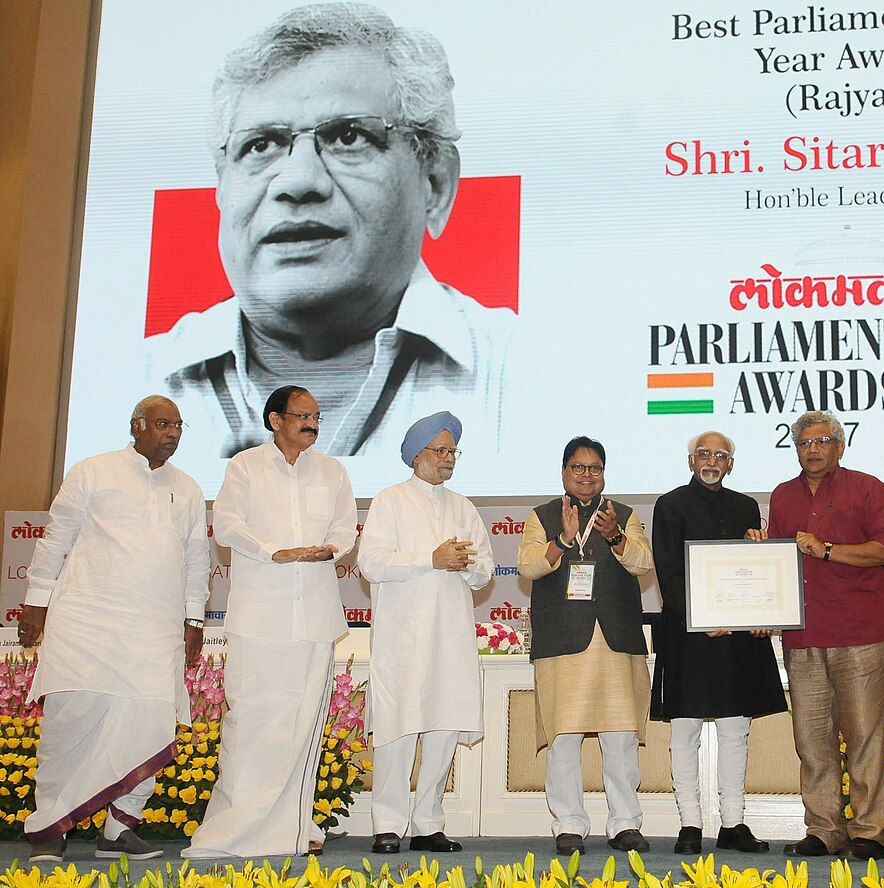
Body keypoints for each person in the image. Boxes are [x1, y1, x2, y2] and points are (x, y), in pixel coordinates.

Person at [145, 3, 514, 460]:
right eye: (260, 145)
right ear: (222, 186)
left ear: (435, 183)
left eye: (348, 138)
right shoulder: (135, 377)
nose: (298, 181)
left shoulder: (527, 371)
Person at [19, 396, 209, 864]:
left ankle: (120, 828)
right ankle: (48, 829)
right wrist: (36, 602)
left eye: (179, 425)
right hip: (87, 622)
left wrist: (195, 619)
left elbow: (196, 559)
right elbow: (56, 537)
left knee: (150, 721)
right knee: (71, 722)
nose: (173, 433)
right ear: (137, 425)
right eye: (164, 424)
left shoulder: (186, 488)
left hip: (154, 629)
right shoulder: (92, 470)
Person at [184, 385, 357, 858]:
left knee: (305, 725)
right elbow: (227, 525)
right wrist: (273, 552)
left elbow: (345, 528)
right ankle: (237, 827)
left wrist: (331, 549)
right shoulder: (245, 466)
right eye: (302, 415)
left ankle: (295, 828)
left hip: (316, 619)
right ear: (275, 419)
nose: (312, 423)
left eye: (317, 415)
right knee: (254, 724)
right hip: (260, 617)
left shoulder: (332, 470)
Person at [759, 410, 884, 860]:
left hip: (859, 633)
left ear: (840, 447)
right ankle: (823, 829)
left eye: (823, 441)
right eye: (805, 442)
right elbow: (781, 562)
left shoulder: (868, 488)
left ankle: (868, 831)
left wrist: (826, 550)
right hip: (802, 636)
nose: (813, 449)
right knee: (812, 739)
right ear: (796, 448)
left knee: (864, 736)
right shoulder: (782, 496)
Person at [358, 411, 494, 855]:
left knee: (442, 726)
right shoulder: (390, 501)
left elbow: (486, 572)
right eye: (440, 450)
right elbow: (371, 563)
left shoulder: (463, 507)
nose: (448, 458)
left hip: (451, 636)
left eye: (452, 450)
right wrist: (429, 559)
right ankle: (388, 824)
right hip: (403, 638)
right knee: (397, 728)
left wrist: (468, 564)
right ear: (416, 455)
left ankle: (428, 822)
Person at [516, 437, 655, 856]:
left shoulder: (624, 516)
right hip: (563, 639)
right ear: (564, 472)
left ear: (604, 473)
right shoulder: (541, 516)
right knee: (564, 736)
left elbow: (643, 564)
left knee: (621, 736)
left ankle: (625, 822)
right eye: (578, 467)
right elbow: (528, 566)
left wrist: (614, 536)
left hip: (615, 639)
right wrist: (562, 541)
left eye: (595, 468)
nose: (587, 475)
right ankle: (569, 824)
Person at [650, 431, 786, 855]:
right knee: (685, 730)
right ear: (690, 461)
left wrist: (763, 612)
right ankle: (690, 822)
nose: (712, 460)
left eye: (721, 455)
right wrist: (698, 616)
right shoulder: (670, 505)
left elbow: (757, 570)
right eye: (704, 454)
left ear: (731, 464)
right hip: (688, 633)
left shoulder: (747, 506)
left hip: (738, 639)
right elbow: (667, 571)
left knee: (735, 731)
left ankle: (733, 822)